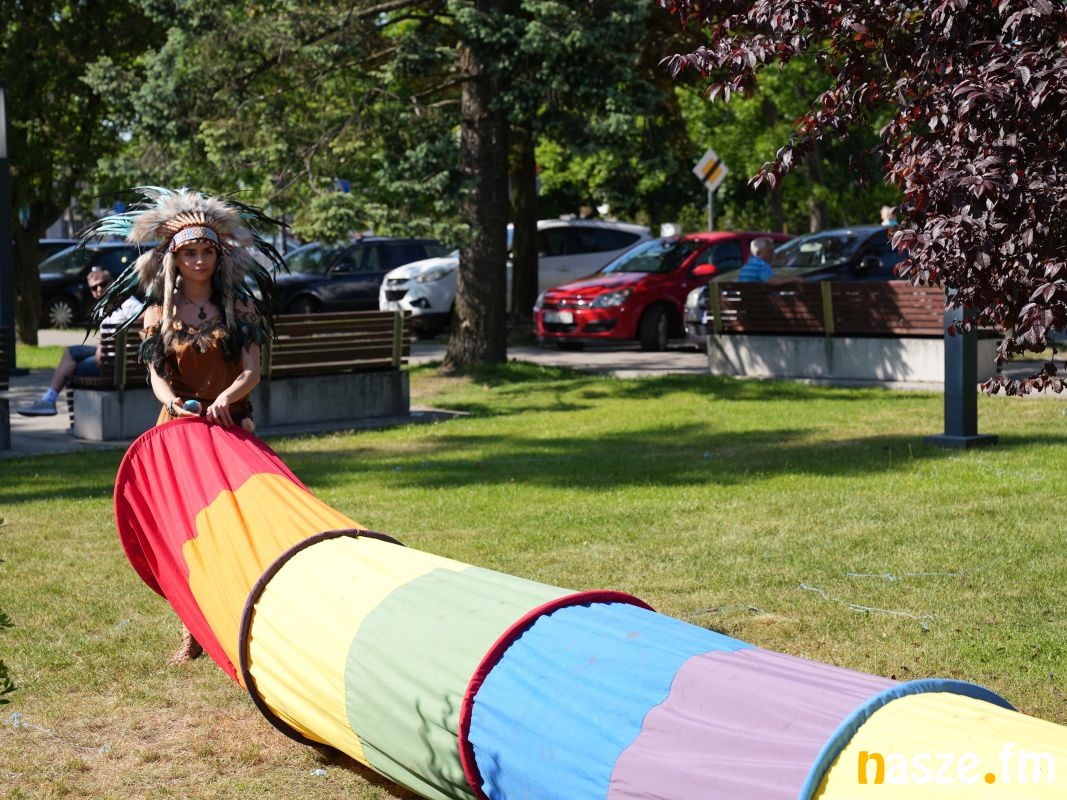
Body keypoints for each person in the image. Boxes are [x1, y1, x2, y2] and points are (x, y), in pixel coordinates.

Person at [85, 187, 284, 665]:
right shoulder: (159, 312)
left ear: (220, 255)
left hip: (229, 428)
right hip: (176, 431)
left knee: (237, 526)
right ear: (173, 257)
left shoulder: (240, 308)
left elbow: (252, 370)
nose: (199, 260)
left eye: (206, 251)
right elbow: (156, 374)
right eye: (190, 252)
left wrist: (227, 399)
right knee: (184, 529)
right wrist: (171, 401)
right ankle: (191, 629)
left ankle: (241, 617)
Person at [17, 268, 143, 417]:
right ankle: (49, 400)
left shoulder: (127, 302)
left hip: (116, 364)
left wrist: (121, 332)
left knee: (70, 368)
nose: (99, 289)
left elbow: (145, 314)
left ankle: (50, 400)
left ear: (112, 283)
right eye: (94, 288)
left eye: (103, 284)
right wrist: (104, 345)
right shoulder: (106, 306)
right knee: (72, 352)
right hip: (111, 358)